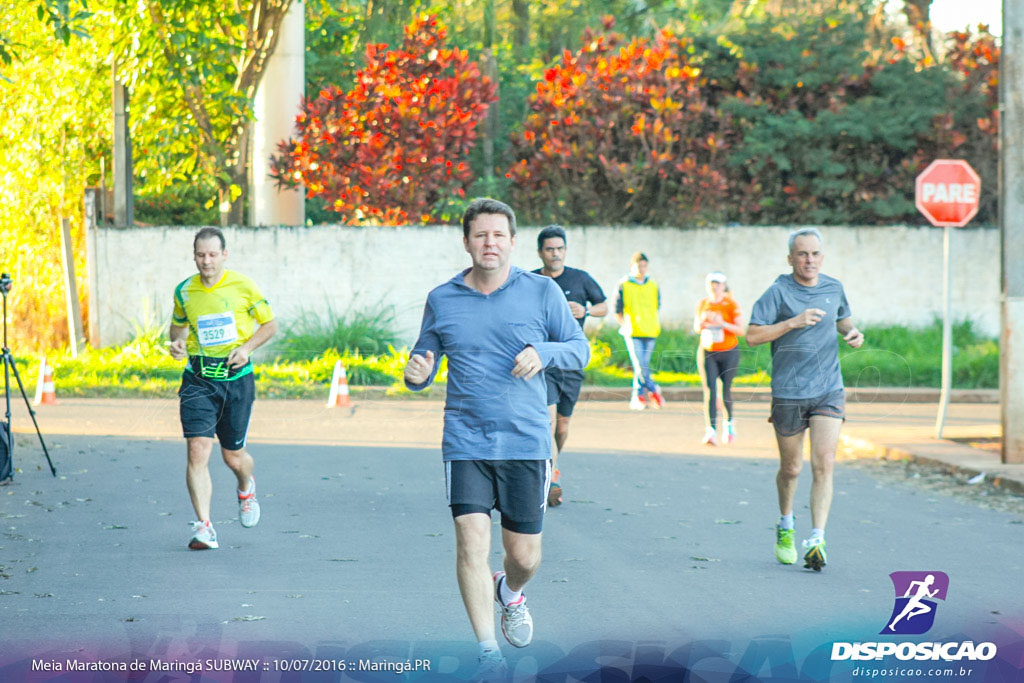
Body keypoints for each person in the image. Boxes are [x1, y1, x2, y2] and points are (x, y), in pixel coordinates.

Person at [403, 199, 589, 678]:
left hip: (526, 442)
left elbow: (578, 349)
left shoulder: (542, 292)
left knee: (524, 555)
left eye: (498, 235)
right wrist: (417, 373)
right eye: (480, 235)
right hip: (466, 440)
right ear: (466, 242)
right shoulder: (442, 298)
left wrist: (543, 352)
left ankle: (510, 591)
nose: (490, 243)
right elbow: (422, 362)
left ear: (512, 241)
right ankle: (487, 650)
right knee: (470, 541)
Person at [746, 228, 863, 572]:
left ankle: (817, 538)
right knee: (792, 468)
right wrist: (792, 322)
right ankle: (786, 525)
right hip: (789, 391)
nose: (809, 260)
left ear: (822, 257)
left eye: (814, 254)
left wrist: (853, 334)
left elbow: (844, 321)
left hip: (829, 388)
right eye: (802, 254)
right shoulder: (778, 292)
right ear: (790, 258)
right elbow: (752, 336)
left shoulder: (833, 287)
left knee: (824, 462)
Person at [167, 227, 278, 551]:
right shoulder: (184, 290)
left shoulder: (243, 285)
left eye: (213, 254)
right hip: (199, 379)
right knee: (198, 449)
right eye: (201, 255)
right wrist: (177, 343)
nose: (207, 261)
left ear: (224, 255)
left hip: (236, 379)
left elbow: (270, 325)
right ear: (194, 256)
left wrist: (246, 349)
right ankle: (204, 527)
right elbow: (177, 327)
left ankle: (246, 487)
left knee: (233, 457)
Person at [533, 225, 607, 507]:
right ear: (541, 252)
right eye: (550, 249)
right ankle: (550, 478)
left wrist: (585, 310)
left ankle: (554, 464)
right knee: (549, 423)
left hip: (572, 362)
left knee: (562, 427)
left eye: (560, 249)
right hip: (543, 361)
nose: (555, 254)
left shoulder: (579, 278)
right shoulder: (530, 280)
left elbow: (603, 306)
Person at [693, 272, 744, 446]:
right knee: (710, 390)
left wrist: (722, 323)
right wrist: (701, 325)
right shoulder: (703, 304)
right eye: (711, 284)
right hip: (708, 350)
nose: (714, 287)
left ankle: (729, 425)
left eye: (717, 284)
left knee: (726, 389)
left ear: (723, 286)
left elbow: (740, 329)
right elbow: (696, 327)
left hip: (729, 351)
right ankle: (711, 430)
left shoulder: (731, 304)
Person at [615, 252, 664, 410]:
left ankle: (638, 397)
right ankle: (653, 389)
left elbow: (657, 304)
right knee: (640, 365)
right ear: (632, 266)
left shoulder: (653, 284)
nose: (642, 269)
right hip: (632, 331)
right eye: (639, 266)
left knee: (643, 366)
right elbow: (617, 309)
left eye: (644, 266)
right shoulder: (624, 284)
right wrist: (624, 324)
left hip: (650, 330)